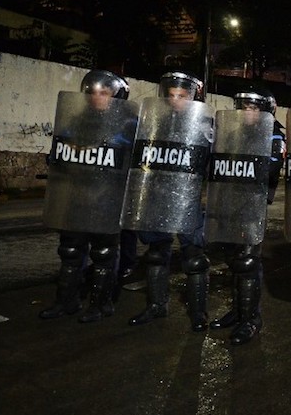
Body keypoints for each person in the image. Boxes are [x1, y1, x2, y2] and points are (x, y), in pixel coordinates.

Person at [40, 69, 137, 322]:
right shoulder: (78, 120)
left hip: (107, 198)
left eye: (104, 93)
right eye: (92, 92)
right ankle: (66, 301)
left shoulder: (128, 124)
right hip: (78, 196)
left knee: (104, 254)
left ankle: (100, 304)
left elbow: (126, 155)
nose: (97, 98)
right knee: (70, 250)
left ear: (117, 95)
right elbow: (65, 147)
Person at [125, 72, 213, 333]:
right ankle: (156, 305)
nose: (176, 100)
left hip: (188, 198)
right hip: (157, 196)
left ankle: (198, 313)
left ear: (192, 96)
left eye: (182, 95)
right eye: (171, 95)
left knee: (194, 257)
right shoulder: (154, 121)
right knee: (155, 253)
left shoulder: (204, 124)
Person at [207, 85, 283, 345]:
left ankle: (251, 319)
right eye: (244, 108)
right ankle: (238, 310)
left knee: (248, 261)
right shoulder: (235, 131)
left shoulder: (273, 135)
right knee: (233, 259)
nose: (247, 113)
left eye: (253, 108)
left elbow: (270, 170)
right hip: (231, 202)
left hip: (253, 205)